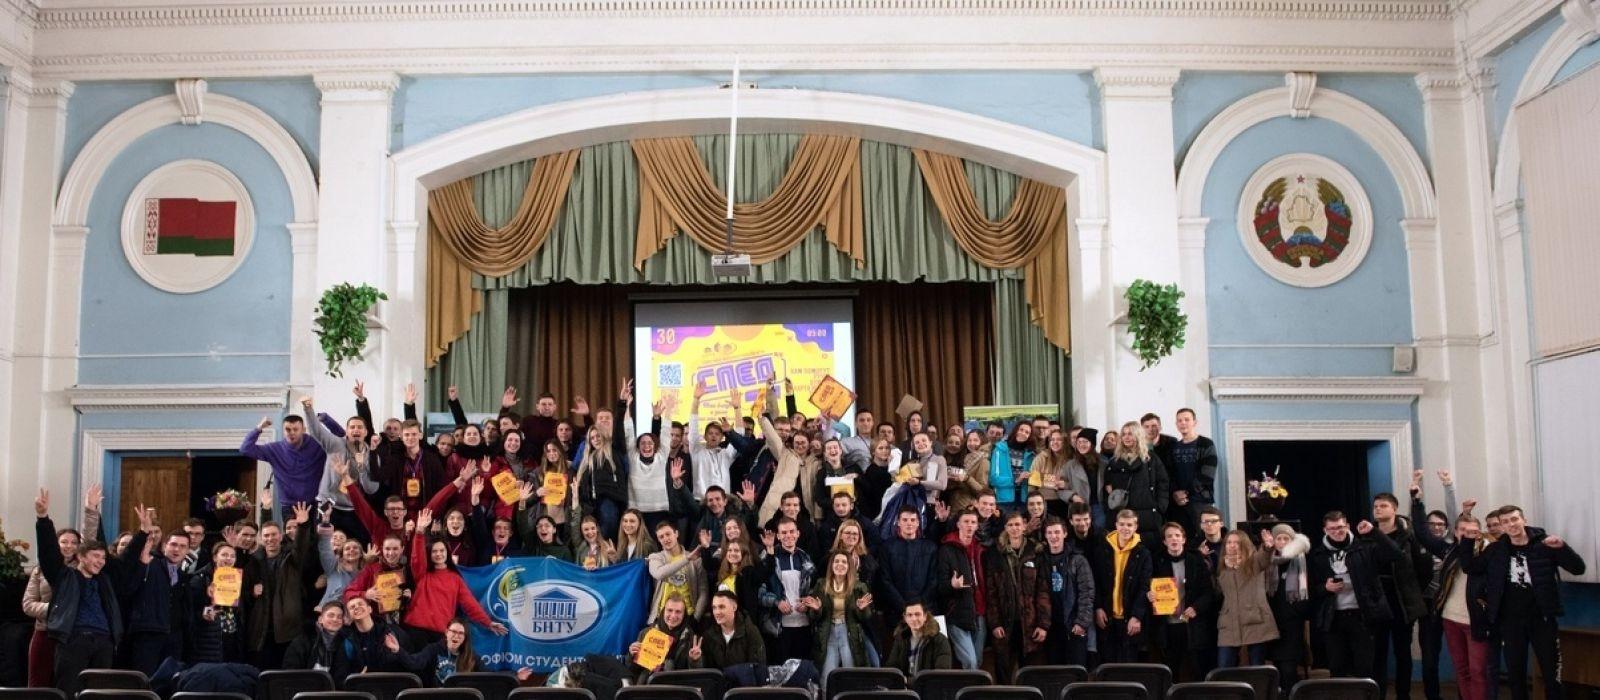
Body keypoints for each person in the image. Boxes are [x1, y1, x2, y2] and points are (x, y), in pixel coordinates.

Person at [1460, 505, 1586, 700]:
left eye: (1514, 519)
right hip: (1510, 622)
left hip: (1542, 619)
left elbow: (1578, 569)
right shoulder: (1496, 549)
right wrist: (1467, 541)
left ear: (1523, 520)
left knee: (1552, 674)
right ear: (1501, 526)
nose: (1511, 524)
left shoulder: (1545, 544)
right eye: (1506, 522)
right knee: (1516, 675)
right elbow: (1469, 567)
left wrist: (1562, 547)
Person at [33, 489, 126, 698]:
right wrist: (42, 518)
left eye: (103, 557)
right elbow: (48, 553)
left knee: (99, 694)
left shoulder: (105, 579)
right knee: (68, 690)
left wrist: (92, 510)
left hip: (104, 641)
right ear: (81, 557)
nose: (100, 561)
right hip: (74, 640)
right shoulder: (66, 576)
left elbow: (95, 537)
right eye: (95, 557)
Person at [24, 484, 102, 689]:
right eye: (64, 542)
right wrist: (57, 609)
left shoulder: (80, 569)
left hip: (71, 635)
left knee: (68, 686)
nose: (69, 546)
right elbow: (28, 604)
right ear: (56, 544)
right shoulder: (42, 569)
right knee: (38, 685)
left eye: (74, 542)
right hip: (44, 631)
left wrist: (91, 510)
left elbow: (91, 539)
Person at [1308, 511, 1398, 678]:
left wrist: (1374, 532)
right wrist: (1325, 588)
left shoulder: (1364, 546)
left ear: (1348, 526)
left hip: (1363, 615)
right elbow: (1311, 588)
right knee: (1337, 668)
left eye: (1341, 527)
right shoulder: (1318, 554)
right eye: (1332, 528)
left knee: (1366, 668)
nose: (1337, 531)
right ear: (1325, 530)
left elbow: (1395, 554)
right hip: (1333, 618)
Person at [405, 508, 509, 645]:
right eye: (434, 551)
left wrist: (488, 623)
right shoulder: (422, 574)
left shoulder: (455, 578)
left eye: (442, 551)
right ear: (429, 555)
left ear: (447, 553)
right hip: (416, 631)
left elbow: (471, 605)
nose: (438, 554)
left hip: (440, 635)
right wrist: (419, 532)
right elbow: (416, 558)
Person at [1370, 491, 1431, 700]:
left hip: (1401, 602)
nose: (1378, 509)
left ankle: (1403, 695)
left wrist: (1412, 591)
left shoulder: (1408, 536)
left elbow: (1424, 569)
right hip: (1377, 602)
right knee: (1378, 653)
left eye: (1383, 505)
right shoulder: (1367, 535)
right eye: (1376, 506)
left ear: (1394, 509)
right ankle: (1377, 695)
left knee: (1402, 652)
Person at [984, 511, 1050, 683]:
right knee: (1003, 671)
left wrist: (1043, 624)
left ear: (1024, 525)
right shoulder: (994, 553)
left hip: (1029, 621)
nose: (1014, 528)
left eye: (1018, 524)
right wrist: (995, 623)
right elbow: (991, 594)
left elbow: (1042, 591)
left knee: (1029, 673)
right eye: (1011, 525)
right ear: (1005, 527)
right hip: (1004, 622)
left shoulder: (1035, 552)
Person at [252, 504, 319, 669]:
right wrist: (251, 591)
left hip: (287, 629)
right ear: (261, 538)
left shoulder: (292, 558)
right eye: (266, 536)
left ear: (281, 536)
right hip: (262, 628)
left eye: (274, 534)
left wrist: (303, 525)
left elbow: (301, 546)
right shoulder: (254, 561)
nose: (270, 539)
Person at [1149, 521, 1214, 681]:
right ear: (1164, 541)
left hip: (1191, 624)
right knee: (1171, 673)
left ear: (1184, 539)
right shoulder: (1156, 561)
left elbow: (1208, 592)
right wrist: (1149, 595)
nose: (1174, 539)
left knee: (1197, 670)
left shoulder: (1196, 560)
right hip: (1167, 626)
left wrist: (1196, 608)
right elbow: (1147, 586)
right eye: (1169, 536)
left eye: (1177, 535)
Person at [241, 414, 327, 522]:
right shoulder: (274, 449)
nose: (291, 433)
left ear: (303, 430)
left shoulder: (317, 445)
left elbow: (341, 441)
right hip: (289, 506)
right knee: (290, 538)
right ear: (283, 430)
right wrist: (259, 428)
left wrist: (326, 420)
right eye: (287, 429)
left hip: (314, 504)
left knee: (315, 538)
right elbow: (245, 449)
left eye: (295, 429)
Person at [1215, 529, 1279, 667]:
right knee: (1224, 665)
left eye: (1236, 542)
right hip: (1229, 623)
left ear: (1244, 545)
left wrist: (1268, 547)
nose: (1232, 545)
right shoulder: (1221, 567)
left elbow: (1264, 557)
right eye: (1229, 542)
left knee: (1257, 666)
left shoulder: (1253, 561)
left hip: (1255, 620)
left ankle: (1259, 689)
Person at [1094, 509, 1152, 663]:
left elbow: (1144, 587)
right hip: (1107, 617)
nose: (1125, 528)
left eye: (1129, 525)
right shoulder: (1103, 549)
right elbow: (1096, 582)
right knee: (1107, 665)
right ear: (1116, 525)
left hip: (1130, 619)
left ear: (1135, 527)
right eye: (1122, 524)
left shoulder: (1143, 553)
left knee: (1128, 666)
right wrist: (1098, 607)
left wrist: (1137, 616)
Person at [1040, 516, 1095, 666]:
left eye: (1057, 532)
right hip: (1051, 626)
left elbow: (1087, 592)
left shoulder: (1078, 560)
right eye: (1050, 533)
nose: (1054, 536)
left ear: (1065, 534)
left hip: (1074, 624)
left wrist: (1082, 622)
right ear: (1045, 535)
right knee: (1055, 671)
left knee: (1076, 670)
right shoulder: (1041, 559)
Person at [1103, 421, 1169, 547]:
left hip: (1148, 515)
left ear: (1138, 436)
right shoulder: (1114, 462)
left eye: (1130, 434)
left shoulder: (1151, 459)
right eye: (1124, 434)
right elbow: (1107, 488)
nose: (1126, 437)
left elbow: (1163, 483)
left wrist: (1160, 506)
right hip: (1123, 514)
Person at [761, 516, 817, 663]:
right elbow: (760, 591)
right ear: (778, 536)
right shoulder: (769, 557)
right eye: (784, 533)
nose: (788, 536)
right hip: (779, 627)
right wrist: (777, 602)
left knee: (803, 669)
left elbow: (814, 589)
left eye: (792, 531)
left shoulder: (805, 558)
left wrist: (808, 604)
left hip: (804, 624)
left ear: (798, 533)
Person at [808, 551, 873, 676]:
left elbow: (866, 617)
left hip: (849, 631)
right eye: (836, 561)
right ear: (831, 565)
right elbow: (813, 616)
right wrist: (816, 610)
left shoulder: (859, 587)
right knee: (827, 673)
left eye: (844, 562)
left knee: (850, 672)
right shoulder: (821, 584)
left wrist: (861, 609)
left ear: (849, 566)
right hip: (828, 632)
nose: (840, 564)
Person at [936, 508, 986, 670]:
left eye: (973, 522)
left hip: (980, 612)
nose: (969, 526)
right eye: (966, 522)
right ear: (958, 524)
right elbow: (939, 586)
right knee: (970, 662)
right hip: (957, 613)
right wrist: (952, 585)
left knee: (977, 662)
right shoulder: (946, 549)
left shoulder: (981, 547)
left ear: (977, 526)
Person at [1268, 523, 1313, 693]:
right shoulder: (1269, 561)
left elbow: (1309, 589)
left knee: (1289, 669)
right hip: (1273, 622)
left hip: (1293, 623)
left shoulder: (1301, 560)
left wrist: (1297, 611)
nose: (1282, 542)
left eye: (1286, 538)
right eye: (1278, 538)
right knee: (1277, 668)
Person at [878, 506, 937, 622]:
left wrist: (919, 607)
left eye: (913, 520)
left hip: (924, 611)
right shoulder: (887, 547)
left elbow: (933, 580)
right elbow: (885, 580)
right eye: (905, 520)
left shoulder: (930, 547)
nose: (909, 524)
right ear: (898, 522)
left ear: (918, 523)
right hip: (895, 612)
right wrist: (903, 606)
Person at [691, 591, 767, 675]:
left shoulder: (751, 632)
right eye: (714, 608)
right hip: (718, 686)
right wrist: (696, 660)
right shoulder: (709, 635)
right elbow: (705, 672)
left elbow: (758, 668)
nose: (717, 612)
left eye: (722, 607)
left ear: (734, 607)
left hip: (743, 686)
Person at [1166, 408, 1217, 535]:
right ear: (1176, 424)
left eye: (1187, 419)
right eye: (1179, 420)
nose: (1183, 423)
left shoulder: (1206, 444)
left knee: (1202, 537)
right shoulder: (1173, 448)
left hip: (1200, 501)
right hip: (1178, 503)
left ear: (1194, 422)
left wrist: (1186, 493)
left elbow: (1207, 474)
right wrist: (1175, 492)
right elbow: (1170, 474)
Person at [628, 594, 698, 682]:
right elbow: (632, 670)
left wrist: (695, 661)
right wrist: (631, 656)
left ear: (684, 615)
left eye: (678, 612)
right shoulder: (646, 633)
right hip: (647, 687)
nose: (673, 616)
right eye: (669, 610)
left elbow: (695, 676)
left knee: (669, 664)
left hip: (678, 688)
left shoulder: (691, 637)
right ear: (663, 611)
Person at [648, 521, 707, 621]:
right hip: (661, 616)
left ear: (676, 534)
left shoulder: (695, 559)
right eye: (661, 537)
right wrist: (687, 559)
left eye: (668, 534)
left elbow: (703, 591)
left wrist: (696, 618)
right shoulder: (655, 557)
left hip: (688, 615)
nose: (665, 539)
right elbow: (659, 574)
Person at [884, 599, 954, 674]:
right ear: (905, 618)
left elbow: (942, 672)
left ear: (925, 616)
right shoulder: (900, 639)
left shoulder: (940, 640)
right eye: (909, 615)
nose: (913, 619)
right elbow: (891, 669)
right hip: (903, 685)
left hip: (929, 684)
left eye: (917, 614)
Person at [284, 602, 346, 671]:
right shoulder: (303, 641)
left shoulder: (344, 643)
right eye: (331, 615)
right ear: (320, 619)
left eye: (339, 617)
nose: (335, 619)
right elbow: (290, 670)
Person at [988, 422, 1034, 510]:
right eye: (1021, 430)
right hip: (1004, 500)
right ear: (1015, 430)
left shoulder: (1031, 453)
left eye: (1027, 432)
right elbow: (993, 479)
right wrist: (1016, 480)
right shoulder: (999, 449)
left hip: (1025, 499)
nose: (1023, 433)